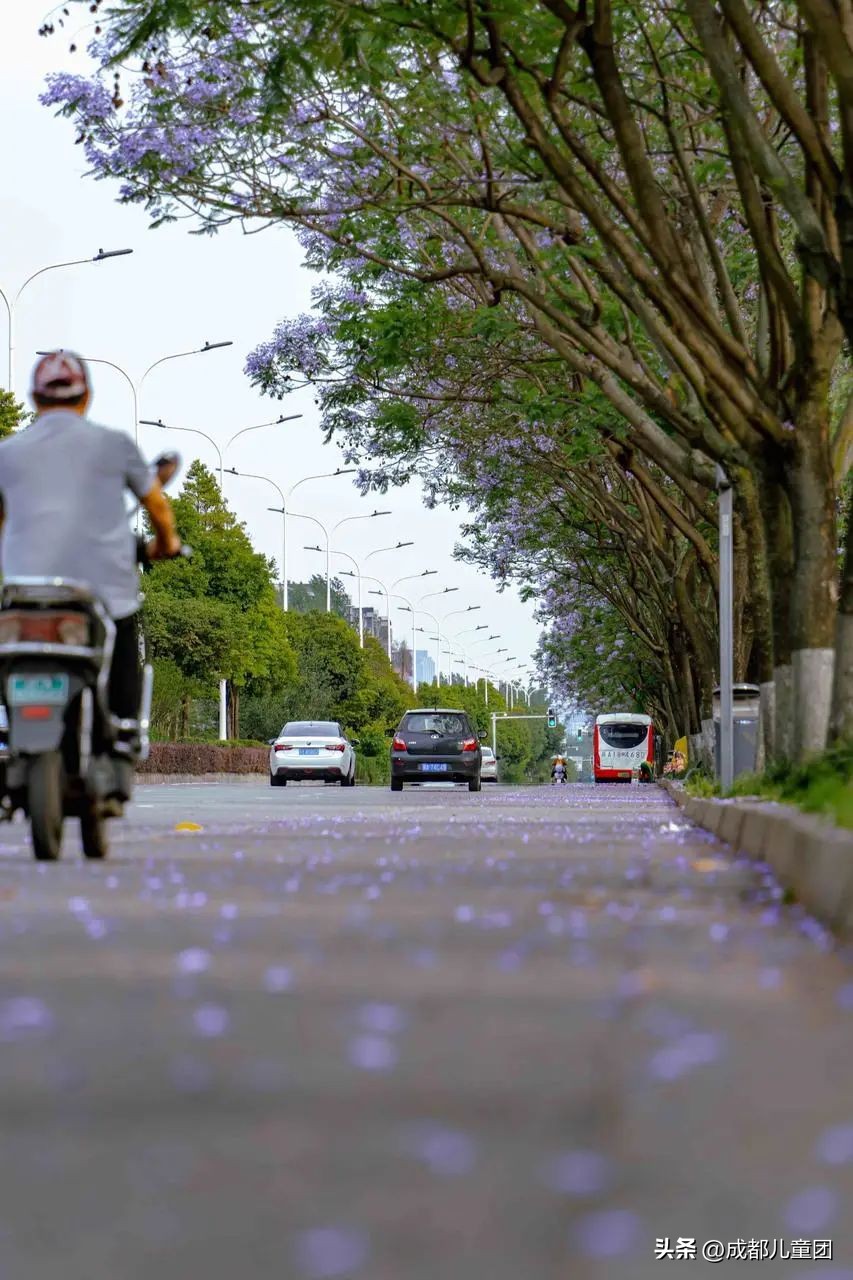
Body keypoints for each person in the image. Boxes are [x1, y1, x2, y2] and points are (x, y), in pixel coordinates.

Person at [0, 352, 181, 793]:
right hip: (100, 591)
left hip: (22, 592)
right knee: (122, 627)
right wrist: (167, 543)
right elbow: (157, 505)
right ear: (86, 397)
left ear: (35, 399)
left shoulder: (7, 452)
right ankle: (122, 733)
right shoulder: (113, 444)